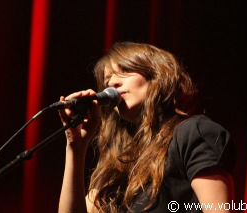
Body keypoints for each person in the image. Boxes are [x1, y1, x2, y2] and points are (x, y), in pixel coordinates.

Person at [58, 42, 235, 212]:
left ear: (157, 75)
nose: (112, 83)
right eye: (107, 79)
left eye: (125, 70)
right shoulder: (119, 162)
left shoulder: (193, 132)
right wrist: (76, 147)